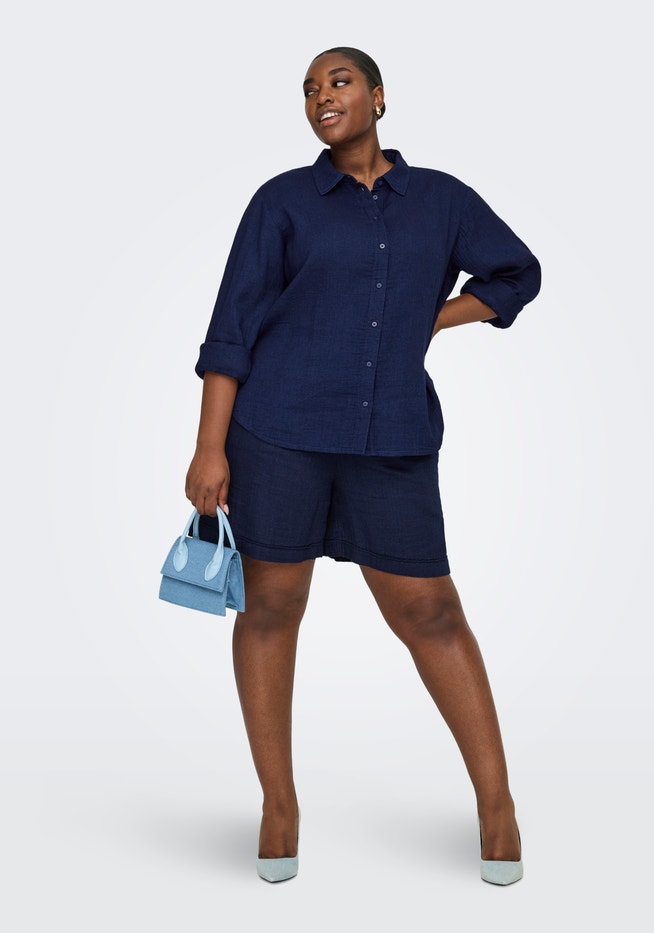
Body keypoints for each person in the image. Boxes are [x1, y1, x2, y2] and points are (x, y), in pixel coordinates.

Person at [185, 46, 541, 885]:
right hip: (278, 433)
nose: (322, 96)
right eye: (309, 89)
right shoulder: (281, 202)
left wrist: (434, 316)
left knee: (432, 613)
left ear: (379, 97)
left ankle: (496, 802)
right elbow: (232, 329)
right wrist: (208, 446)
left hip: (394, 439)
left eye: (339, 81)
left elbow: (517, 272)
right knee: (271, 608)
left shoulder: (442, 201)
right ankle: (278, 804)